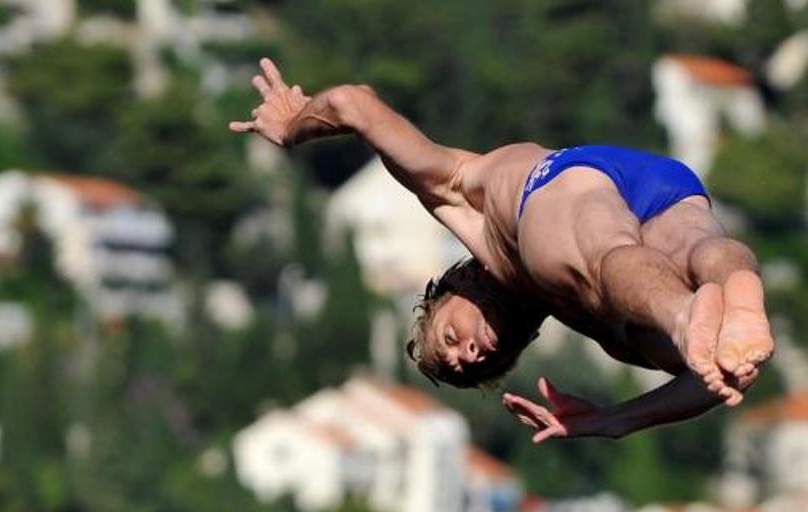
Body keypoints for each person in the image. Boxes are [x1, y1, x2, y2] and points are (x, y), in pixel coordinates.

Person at [231, 60, 775, 441]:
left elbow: (353, 104)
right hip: (660, 180)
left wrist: (293, 128)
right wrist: (612, 421)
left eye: (450, 339)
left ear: (457, 282)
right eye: (478, 363)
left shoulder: (464, 202)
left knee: (606, 265)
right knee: (698, 260)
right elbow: (716, 382)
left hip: (551, 186)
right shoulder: (593, 325)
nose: (470, 353)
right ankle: (736, 293)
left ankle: (685, 316)